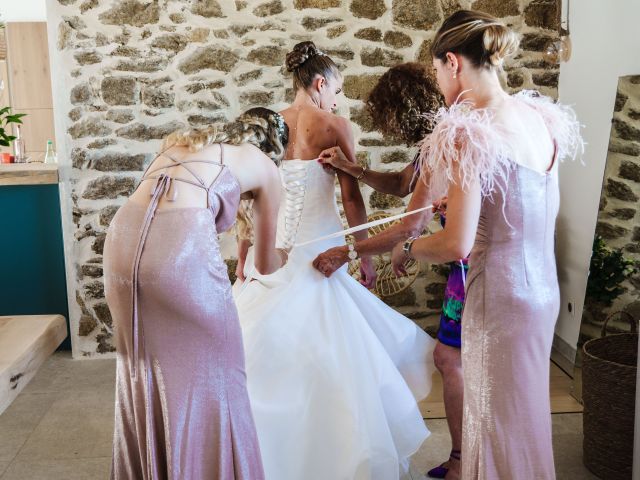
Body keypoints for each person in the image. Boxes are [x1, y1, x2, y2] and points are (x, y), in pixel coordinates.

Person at [390, 10, 582, 479]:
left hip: (498, 295)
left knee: (491, 419)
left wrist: (407, 249)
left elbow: (456, 243)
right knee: (523, 416)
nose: (437, 82)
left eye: (436, 70)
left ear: (453, 62)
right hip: (542, 293)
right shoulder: (539, 117)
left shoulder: (467, 131)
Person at [234, 42, 435, 480]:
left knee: (259, 349)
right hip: (321, 247)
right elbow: (350, 196)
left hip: (270, 253)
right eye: (337, 90)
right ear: (320, 84)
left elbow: (251, 199)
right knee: (335, 355)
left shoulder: (271, 127)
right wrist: (361, 253)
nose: (338, 100)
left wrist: (244, 253)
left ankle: (264, 454)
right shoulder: (336, 125)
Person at [103, 108, 289, 480]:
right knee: (220, 374)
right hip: (178, 254)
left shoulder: (183, 144)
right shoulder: (268, 168)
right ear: (275, 148)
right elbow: (266, 264)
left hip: (119, 244)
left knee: (143, 370)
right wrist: (292, 252)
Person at [313, 62, 464, 479]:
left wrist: (349, 250)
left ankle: (461, 461)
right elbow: (403, 184)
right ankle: (466, 455)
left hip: (471, 265)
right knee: (452, 358)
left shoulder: (444, 142)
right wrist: (353, 169)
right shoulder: (433, 142)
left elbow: (408, 226)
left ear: (402, 110)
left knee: (451, 360)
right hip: (464, 264)